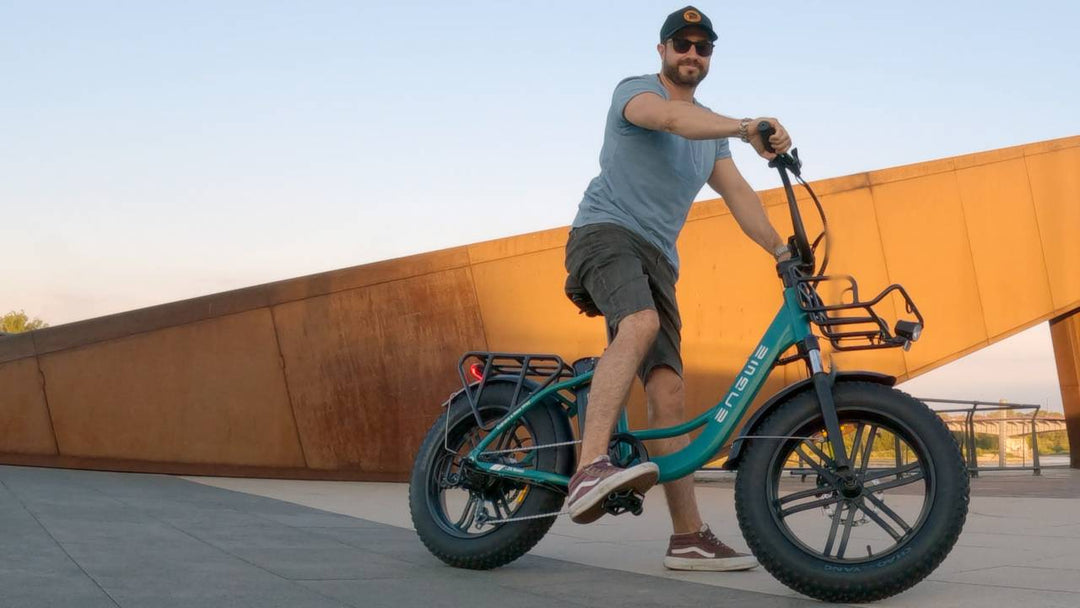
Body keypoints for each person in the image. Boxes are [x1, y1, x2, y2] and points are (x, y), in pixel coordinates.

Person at [562, 6, 793, 572]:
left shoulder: (712, 133)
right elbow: (668, 121)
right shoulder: (636, 92)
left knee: (667, 391)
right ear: (662, 51)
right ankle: (589, 467)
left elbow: (738, 194)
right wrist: (746, 126)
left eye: (703, 47)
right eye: (681, 44)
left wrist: (783, 250)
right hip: (604, 233)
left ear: (710, 57)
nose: (692, 54)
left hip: (659, 259)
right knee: (638, 324)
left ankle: (688, 536)